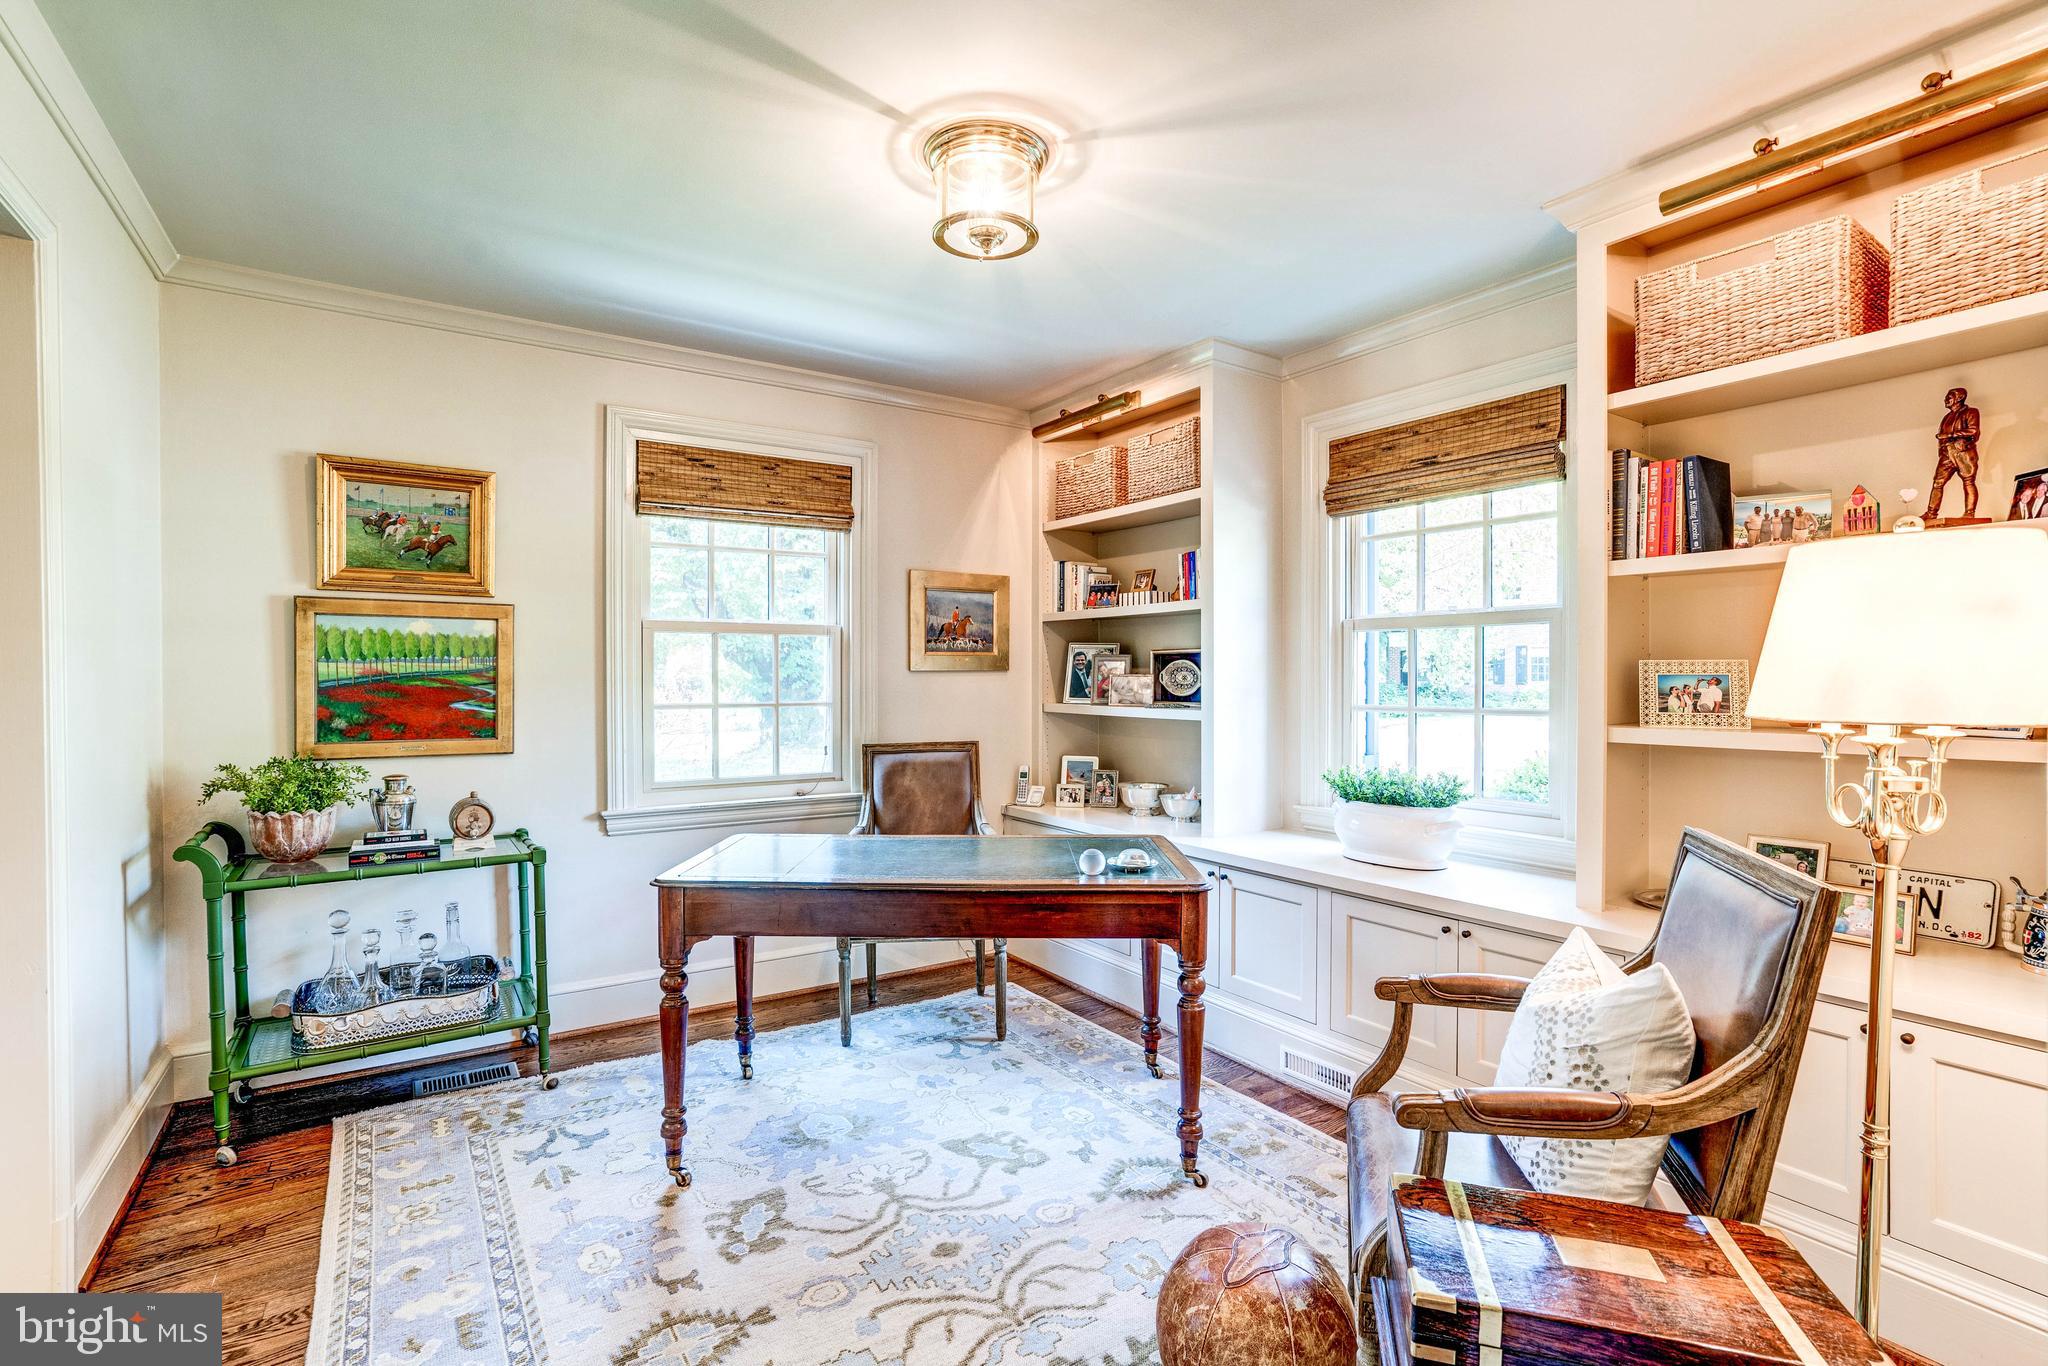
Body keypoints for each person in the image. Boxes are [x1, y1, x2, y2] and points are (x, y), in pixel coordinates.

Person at [1924, 387, 1982, 520]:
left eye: (1949, 397)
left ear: (1960, 398)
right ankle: (1931, 513)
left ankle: (1969, 513)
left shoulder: (1971, 412)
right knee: (1937, 482)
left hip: (1963, 452)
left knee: (1968, 481)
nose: (1946, 400)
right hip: (1947, 453)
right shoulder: (1947, 417)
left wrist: (1950, 435)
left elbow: (1974, 431)